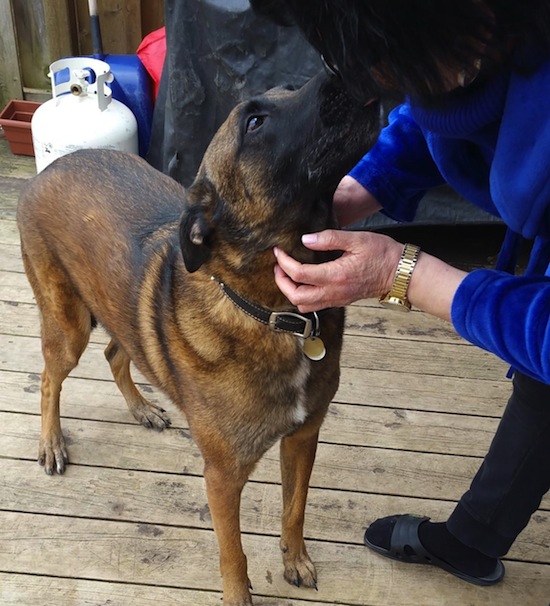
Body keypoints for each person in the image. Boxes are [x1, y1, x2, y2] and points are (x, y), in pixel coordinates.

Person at [250, 0, 550, 587]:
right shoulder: (474, 45)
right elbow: (446, 98)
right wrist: (364, 187)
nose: (378, 81)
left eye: (384, 62)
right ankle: (473, 540)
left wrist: (403, 274)